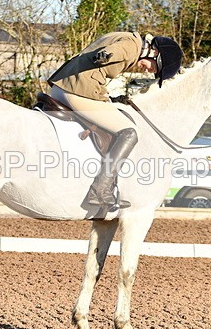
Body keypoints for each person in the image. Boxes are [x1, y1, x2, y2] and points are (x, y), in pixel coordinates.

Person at [48, 31, 183, 209]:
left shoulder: (127, 37)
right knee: (130, 132)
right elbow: (115, 52)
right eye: (154, 67)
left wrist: (110, 98)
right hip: (76, 91)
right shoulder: (131, 46)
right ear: (154, 53)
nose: (150, 71)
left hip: (63, 86)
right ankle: (100, 190)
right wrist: (106, 56)